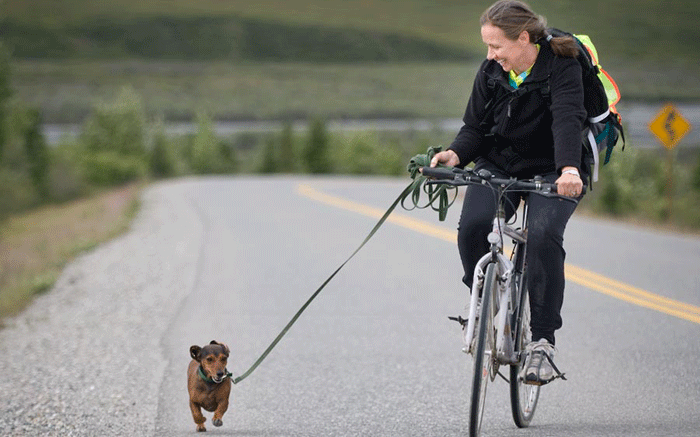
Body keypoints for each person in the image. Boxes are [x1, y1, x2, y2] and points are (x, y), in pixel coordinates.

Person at [429, 0, 585, 385]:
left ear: (524, 39)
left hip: (555, 169)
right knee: (474, 227)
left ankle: (543, 344)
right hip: (499, 164)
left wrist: (569, 169)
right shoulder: (491, 71)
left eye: (496, 46)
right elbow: (474, 127)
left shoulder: (561, 67)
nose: (490, 55)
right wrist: (454, 154)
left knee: (545, 235)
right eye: (486, 46)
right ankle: (481, 303)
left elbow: (568, 119)